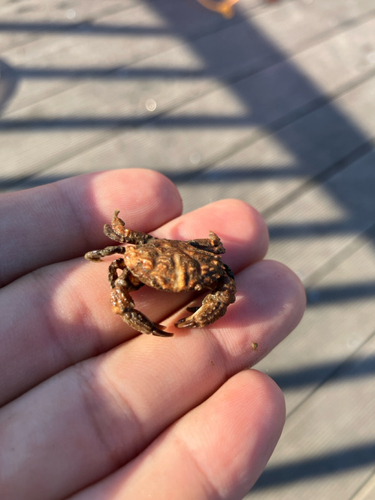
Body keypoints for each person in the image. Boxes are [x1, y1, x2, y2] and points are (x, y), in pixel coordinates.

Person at [0, 169, 305, 499]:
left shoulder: (211, 266)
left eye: (184, 284)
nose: (170, 288)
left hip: (178, 257)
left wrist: (205, 307)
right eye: (159, 282)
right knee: (120, 288)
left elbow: (224, 281)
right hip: (156, 256)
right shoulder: (130, 258)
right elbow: (109, 258)